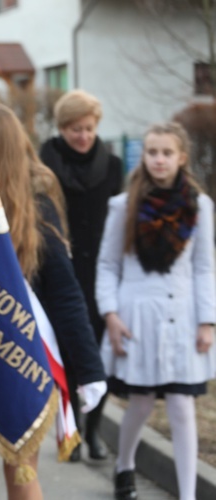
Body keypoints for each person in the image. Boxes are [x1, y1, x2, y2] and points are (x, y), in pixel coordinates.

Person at [0, 102, 106, 500]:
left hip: (22, 353)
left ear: (4, 149)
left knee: (22, 473)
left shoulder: (37, 208)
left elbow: (65, 294)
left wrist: (89, 368)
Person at [96, 122, 215, 500]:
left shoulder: (200, 206)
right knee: (142, 402)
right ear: (143, 157)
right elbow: (108, 265)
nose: (159, 160)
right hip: (136, 319)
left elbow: (204, 266)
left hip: (183, 318)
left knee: (181, 405)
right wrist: (111, 315)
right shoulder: (123, 205)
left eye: (166, 153)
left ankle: (187, 493)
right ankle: (124, 464)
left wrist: (208, 320)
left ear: (181, 157)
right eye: (152, 152)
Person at [39, 89, 124, 461]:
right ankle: (70, 430)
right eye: (75, 128)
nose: (83, 136)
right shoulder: (47, 161)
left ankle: (93, 433)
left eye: (88, 128)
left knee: (96, 353)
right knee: (67, 353)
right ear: (62, 128)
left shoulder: (113, 165)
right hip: (59, 269)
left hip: (101, 272)